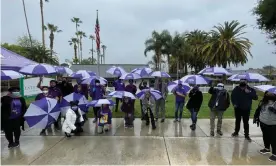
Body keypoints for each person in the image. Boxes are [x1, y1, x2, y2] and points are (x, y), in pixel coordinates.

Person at [253, 92, 276, 162]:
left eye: (271, 94)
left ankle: (275, 154)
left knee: (274, 139)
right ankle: (267, 148)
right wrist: (256, 117)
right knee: (265, 136)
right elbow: (258, 110)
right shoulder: (263, 102)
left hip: (273, 124)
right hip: (263, 123)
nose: (269, 95)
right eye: (268, 94)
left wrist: (275, 111)